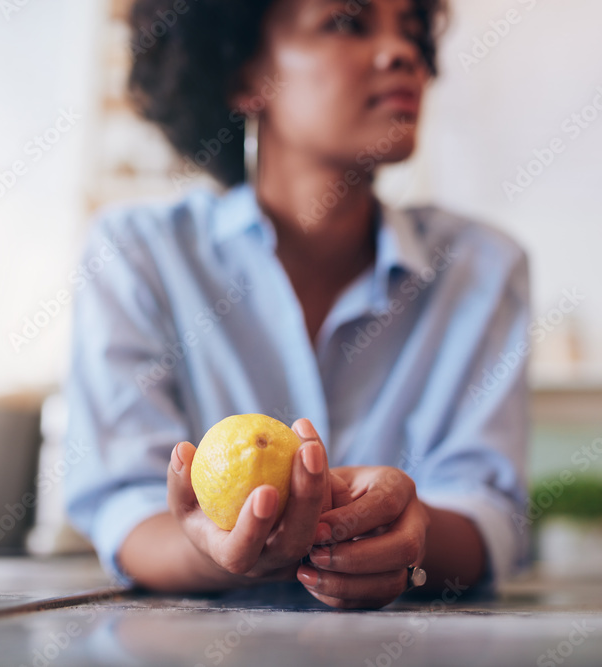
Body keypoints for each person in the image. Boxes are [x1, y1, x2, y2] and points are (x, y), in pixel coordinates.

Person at [64, 0, 531, 610]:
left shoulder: (481, 266)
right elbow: (126, 508)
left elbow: (487, 514)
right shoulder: (136, 254)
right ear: (241, 75)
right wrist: (216, 551)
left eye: (413, 30)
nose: (403, 54)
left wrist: (412, 533)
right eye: (347, 22)